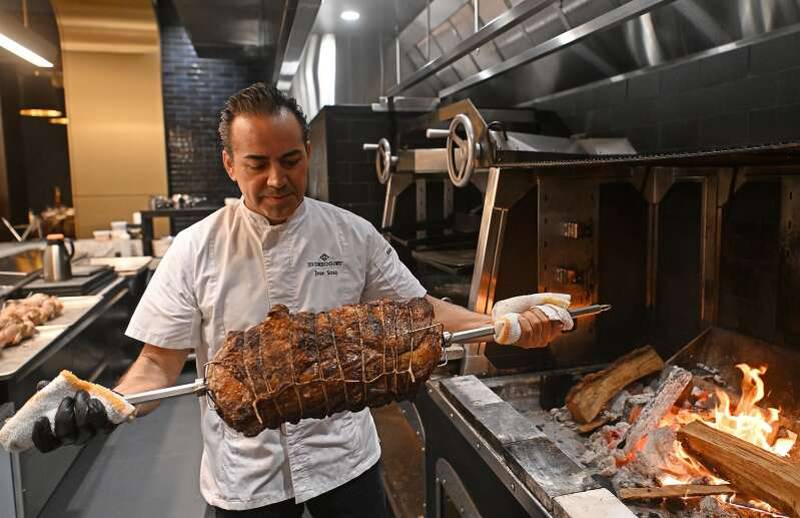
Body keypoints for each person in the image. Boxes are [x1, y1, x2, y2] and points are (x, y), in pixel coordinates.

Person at [30, 83, 568, 517]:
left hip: (345, 461)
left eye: (290, 160)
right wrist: (111, 403)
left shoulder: (350, 234)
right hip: (247, 479)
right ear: (229, 164)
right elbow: (157, 364)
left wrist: (497, 321)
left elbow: (420, 310)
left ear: (308, 152)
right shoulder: (195, 248)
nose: (276, 179)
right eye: (257, 163)